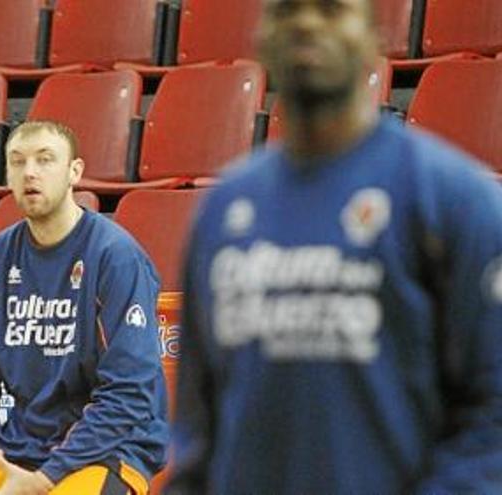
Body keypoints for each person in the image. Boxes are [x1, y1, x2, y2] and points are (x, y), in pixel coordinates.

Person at [166, 0, 502, 493]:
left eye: (330, 9)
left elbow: (493, 417)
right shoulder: (223, 211)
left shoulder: (452, 198)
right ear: (262, 39)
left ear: (372, 39)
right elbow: (200, 425)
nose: (306, 23)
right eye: (287, 11)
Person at [0, 121, 169, 495]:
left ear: (75, 172)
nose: (29, 172)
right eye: (17, 162)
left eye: (45, 160)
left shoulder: (115, 258)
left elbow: (128, 395)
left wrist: (45, 480)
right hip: (19, 455)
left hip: (107, 455)